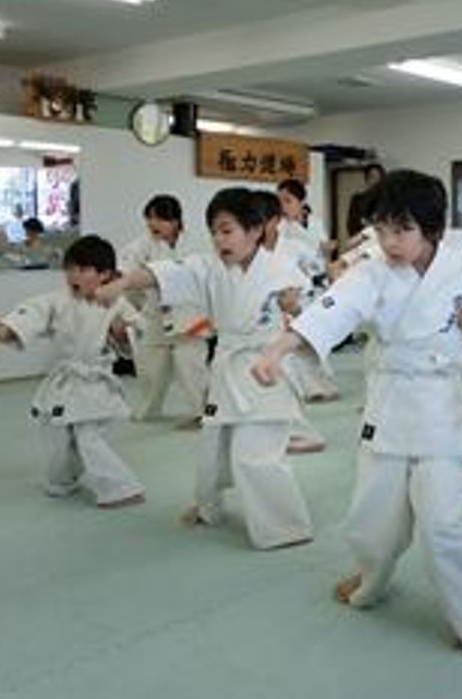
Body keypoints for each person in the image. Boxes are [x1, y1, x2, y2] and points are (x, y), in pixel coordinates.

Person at [251, 169, 462, 651]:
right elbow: (332, 310)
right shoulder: (370, 272)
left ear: (432, 228)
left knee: (442, 521)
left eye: (402, 230)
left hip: (442, 407)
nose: (390, 241)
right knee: (372, 518)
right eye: (382, 229)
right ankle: (372, 576)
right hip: (391, 401)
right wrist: (277, 349)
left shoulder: (461, 262)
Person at [97, 188, 313, 551]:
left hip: (265, 367)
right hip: (228, 364)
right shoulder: (208, 265)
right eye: (214, 231)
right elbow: (159, 274)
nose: (218, 239)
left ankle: (285, 527)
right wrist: (120, 283)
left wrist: (294, 304)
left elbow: (307, 310)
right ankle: (209, 508)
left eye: (227, 230)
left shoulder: (281, 269)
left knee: (254, 452)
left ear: (255, 229)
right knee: (213, 448)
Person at [0, 235, 145, 508]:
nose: (73, 275)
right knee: (57, 436)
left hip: (96, 381)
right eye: (70, 268)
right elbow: (32, 313)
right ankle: (62, 480)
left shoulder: (116, 302)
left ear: (104, 274)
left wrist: (122, 331)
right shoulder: (56, 301)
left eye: (83, 270)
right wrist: (7, 329)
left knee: (89, 437)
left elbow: (138, 330)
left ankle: (122, 488)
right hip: (66, 380)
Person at [118, 195, 210, 428]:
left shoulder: (198, 243)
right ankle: (149, 409)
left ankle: (204, 413)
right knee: (150, 369)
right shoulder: (141, 246)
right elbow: (126, 277)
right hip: (154, 316)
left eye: (160, 219)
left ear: (176, 221)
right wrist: (135, 309)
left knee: (191, 366)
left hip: (191, 315)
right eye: (149, 218)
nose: (153, 224)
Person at [251, 189, 330, 453]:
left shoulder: (294, 246)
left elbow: (319, 269)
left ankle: (303, 431)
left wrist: (300, 297)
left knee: (291, 373)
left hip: (297, 313)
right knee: (275, 377)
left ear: (275, 220)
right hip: (264, 323)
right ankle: (283, 429)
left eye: (260, 219)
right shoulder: (249, 252)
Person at [345, 163, 386, 240]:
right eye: (372, 177)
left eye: (378, 177)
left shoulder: (388, 200)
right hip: (361, 239)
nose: (375, 181)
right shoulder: (357, 199)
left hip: (381, 240)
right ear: (366, 179)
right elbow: (351, 224)